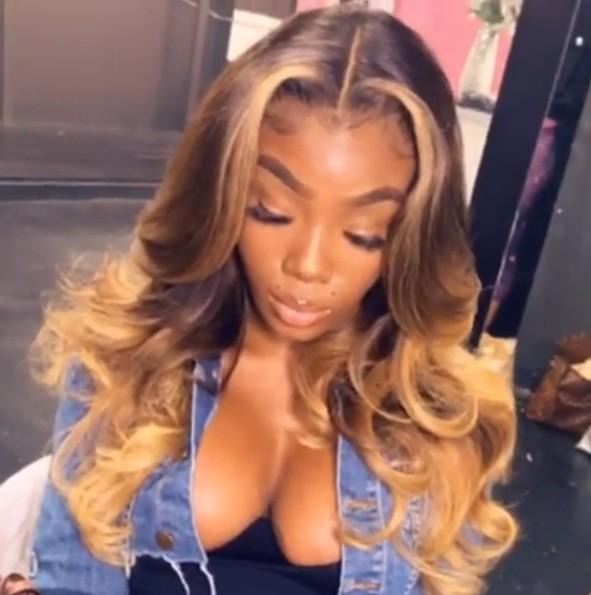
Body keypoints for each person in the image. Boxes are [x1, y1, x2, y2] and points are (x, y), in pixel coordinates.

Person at [9, 6, 518, 595]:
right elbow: (74, 579)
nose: (308, 265)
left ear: (410, 237)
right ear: (223, 195)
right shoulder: (128, 363)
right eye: (270, 211)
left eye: (364, 235)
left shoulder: (435, 417)